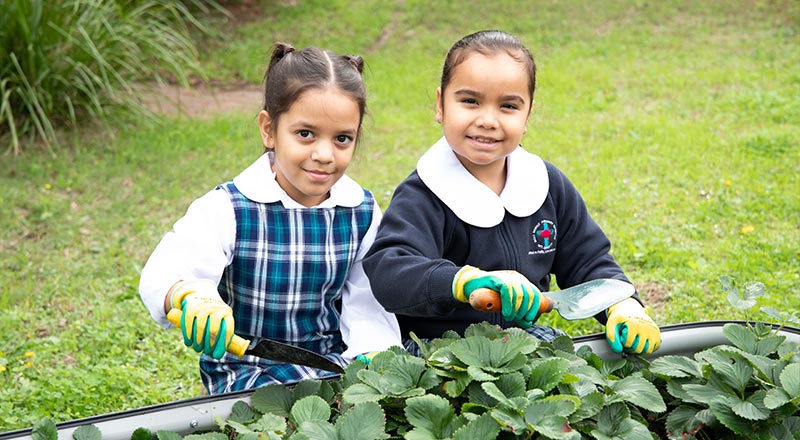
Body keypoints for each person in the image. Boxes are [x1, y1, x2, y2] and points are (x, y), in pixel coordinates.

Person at [362, 30, 660, 356]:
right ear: (440, 105)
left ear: (528, 115)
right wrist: (463, 282)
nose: (487, 120)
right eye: (470, 101)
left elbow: (589, 260)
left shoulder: (546, 184)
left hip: (524, 339)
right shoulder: (423, 194)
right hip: (440, 351)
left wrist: (622, 303)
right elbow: (389, 271)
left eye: (508, 106)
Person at [139, 43, 401, 394]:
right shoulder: (230, 207)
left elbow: (367, 301)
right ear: (269, 129)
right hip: (248, 364)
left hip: (329, 361)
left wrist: (371, 354)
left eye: (342, 139)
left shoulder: (360, 211)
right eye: (305, 134)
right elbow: (166, 269)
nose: (324, 154)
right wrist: (190, 295)